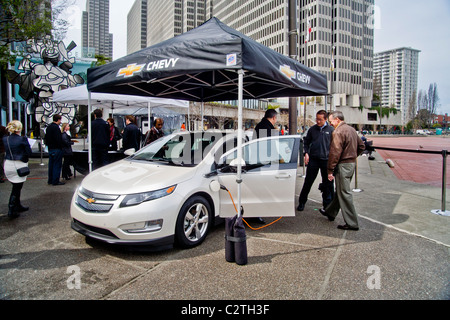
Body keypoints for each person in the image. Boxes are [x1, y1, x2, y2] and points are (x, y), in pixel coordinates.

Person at [319, 111, 365, 231]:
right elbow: (361, 146)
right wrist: (352, 156)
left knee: (344, 193)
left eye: (331, 121)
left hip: (343, 165)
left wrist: (330, 170)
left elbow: (334, 153)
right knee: (341, 191)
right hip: (351, 164)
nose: (330, 123)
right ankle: (330, 212)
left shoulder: (338, 132)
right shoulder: (351, 130)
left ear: (337, 120)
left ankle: (352, 223)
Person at [297, 110, 334, 211]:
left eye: (320, 120)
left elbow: (335, 146)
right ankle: (302, 202)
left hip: (326, 161)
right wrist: (306, 153)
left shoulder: (331, 130)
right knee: (308, 182)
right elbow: (306, 142)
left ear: (325, 119)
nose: (317, 121)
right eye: (316, 119)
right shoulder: (312, 129)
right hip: (313, 160)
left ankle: (327, 205)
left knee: (327, 184)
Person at [3, 120, 32, 219]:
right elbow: (29, 152)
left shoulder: (5, 139)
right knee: (16, 188)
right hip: (19, 165)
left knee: (16, 187)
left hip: (8, 164)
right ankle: (11, 209)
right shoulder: (22, 139)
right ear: (19, 128)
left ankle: (17, 205)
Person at [45, 114, 65, 185]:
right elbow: (58, 139)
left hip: (50, 148)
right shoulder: (56, 128)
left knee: (51, 165)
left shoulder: (49, 127)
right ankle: (55, 180)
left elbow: (46, 138)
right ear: (59, 120)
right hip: (57, 148)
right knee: (57, 165)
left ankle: (50, 180)